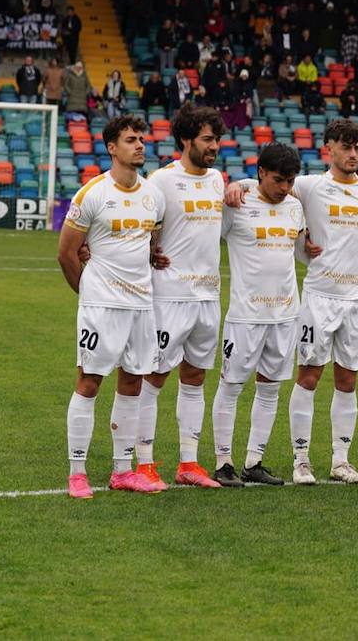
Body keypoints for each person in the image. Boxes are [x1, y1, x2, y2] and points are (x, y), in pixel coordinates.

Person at [226, 119, 358, 485]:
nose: (353, 154)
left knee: (348, 379)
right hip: (319, 297)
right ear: (329, 148)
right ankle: (301, 460)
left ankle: (340, 461)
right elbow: (268, 186)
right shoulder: (311, 186)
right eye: (346, 147)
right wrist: (238, 184)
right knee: (309, 375)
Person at [56, 115, 167, 498]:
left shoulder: (154, 195)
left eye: (142, 139)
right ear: (111, 148)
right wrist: (87, 294)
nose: (140, 145)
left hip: (141, 305)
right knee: (89, 382)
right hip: (102, 305)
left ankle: (123, 470)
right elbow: (66, 254)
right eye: (131, 140)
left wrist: (155, 257)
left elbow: (152, 242)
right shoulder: (92, 194)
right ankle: (77, 472)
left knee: (133, 382)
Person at [137, 106, 228, 490]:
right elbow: (142, 231)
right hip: (169, 296)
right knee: (153, 377)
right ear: (186, 140)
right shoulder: (160, 181)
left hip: (208, 296)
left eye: (216, 140)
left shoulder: (219, 181)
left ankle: (188, 463)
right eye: (207, 139)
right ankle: (143, 462)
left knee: (194, 378)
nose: (214, 147)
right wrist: (149, 252)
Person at [209, 142, 306, 488]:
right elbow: (208, 240)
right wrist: (238, 184)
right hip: (246, 314)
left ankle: (254, 461)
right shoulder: (237, 203)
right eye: (278, 180)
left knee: (270, 388)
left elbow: (302, 252)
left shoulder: (295, 207)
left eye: (290, 181)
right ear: (261, 172)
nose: (284, 188)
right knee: (231, 385)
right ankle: (223, 462)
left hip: (285, 314)